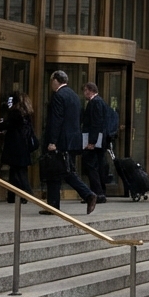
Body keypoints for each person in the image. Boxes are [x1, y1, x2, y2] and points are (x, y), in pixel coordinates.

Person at [41, 70, 97, 215]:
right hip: (72, 141)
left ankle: (87, 194)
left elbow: (56, 120)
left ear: (55, 80)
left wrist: (52, 141)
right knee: (63, 171)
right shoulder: (74, 95)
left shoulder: (59, 96)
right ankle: (54, 205)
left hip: (61, 141)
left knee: (61, 172)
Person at [0, 92, 35, 202]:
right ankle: (13, 195)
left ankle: (27, 194)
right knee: (16, 171)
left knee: (18, 172)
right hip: (23, 146)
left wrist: (0, 125)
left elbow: (7, 125)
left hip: (15, 146)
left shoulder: (15, 113)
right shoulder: (27, 113)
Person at [81, 82, 110, 202]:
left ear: (89, 90)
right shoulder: (99, 102)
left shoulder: (96, 102)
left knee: (91, 166)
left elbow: (96, 123)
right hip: (98, 140)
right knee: (98, 166)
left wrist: (92, 141)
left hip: (95, 141)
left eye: (85, 91)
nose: (84, 94)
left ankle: (97, 193)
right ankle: (99, 192)